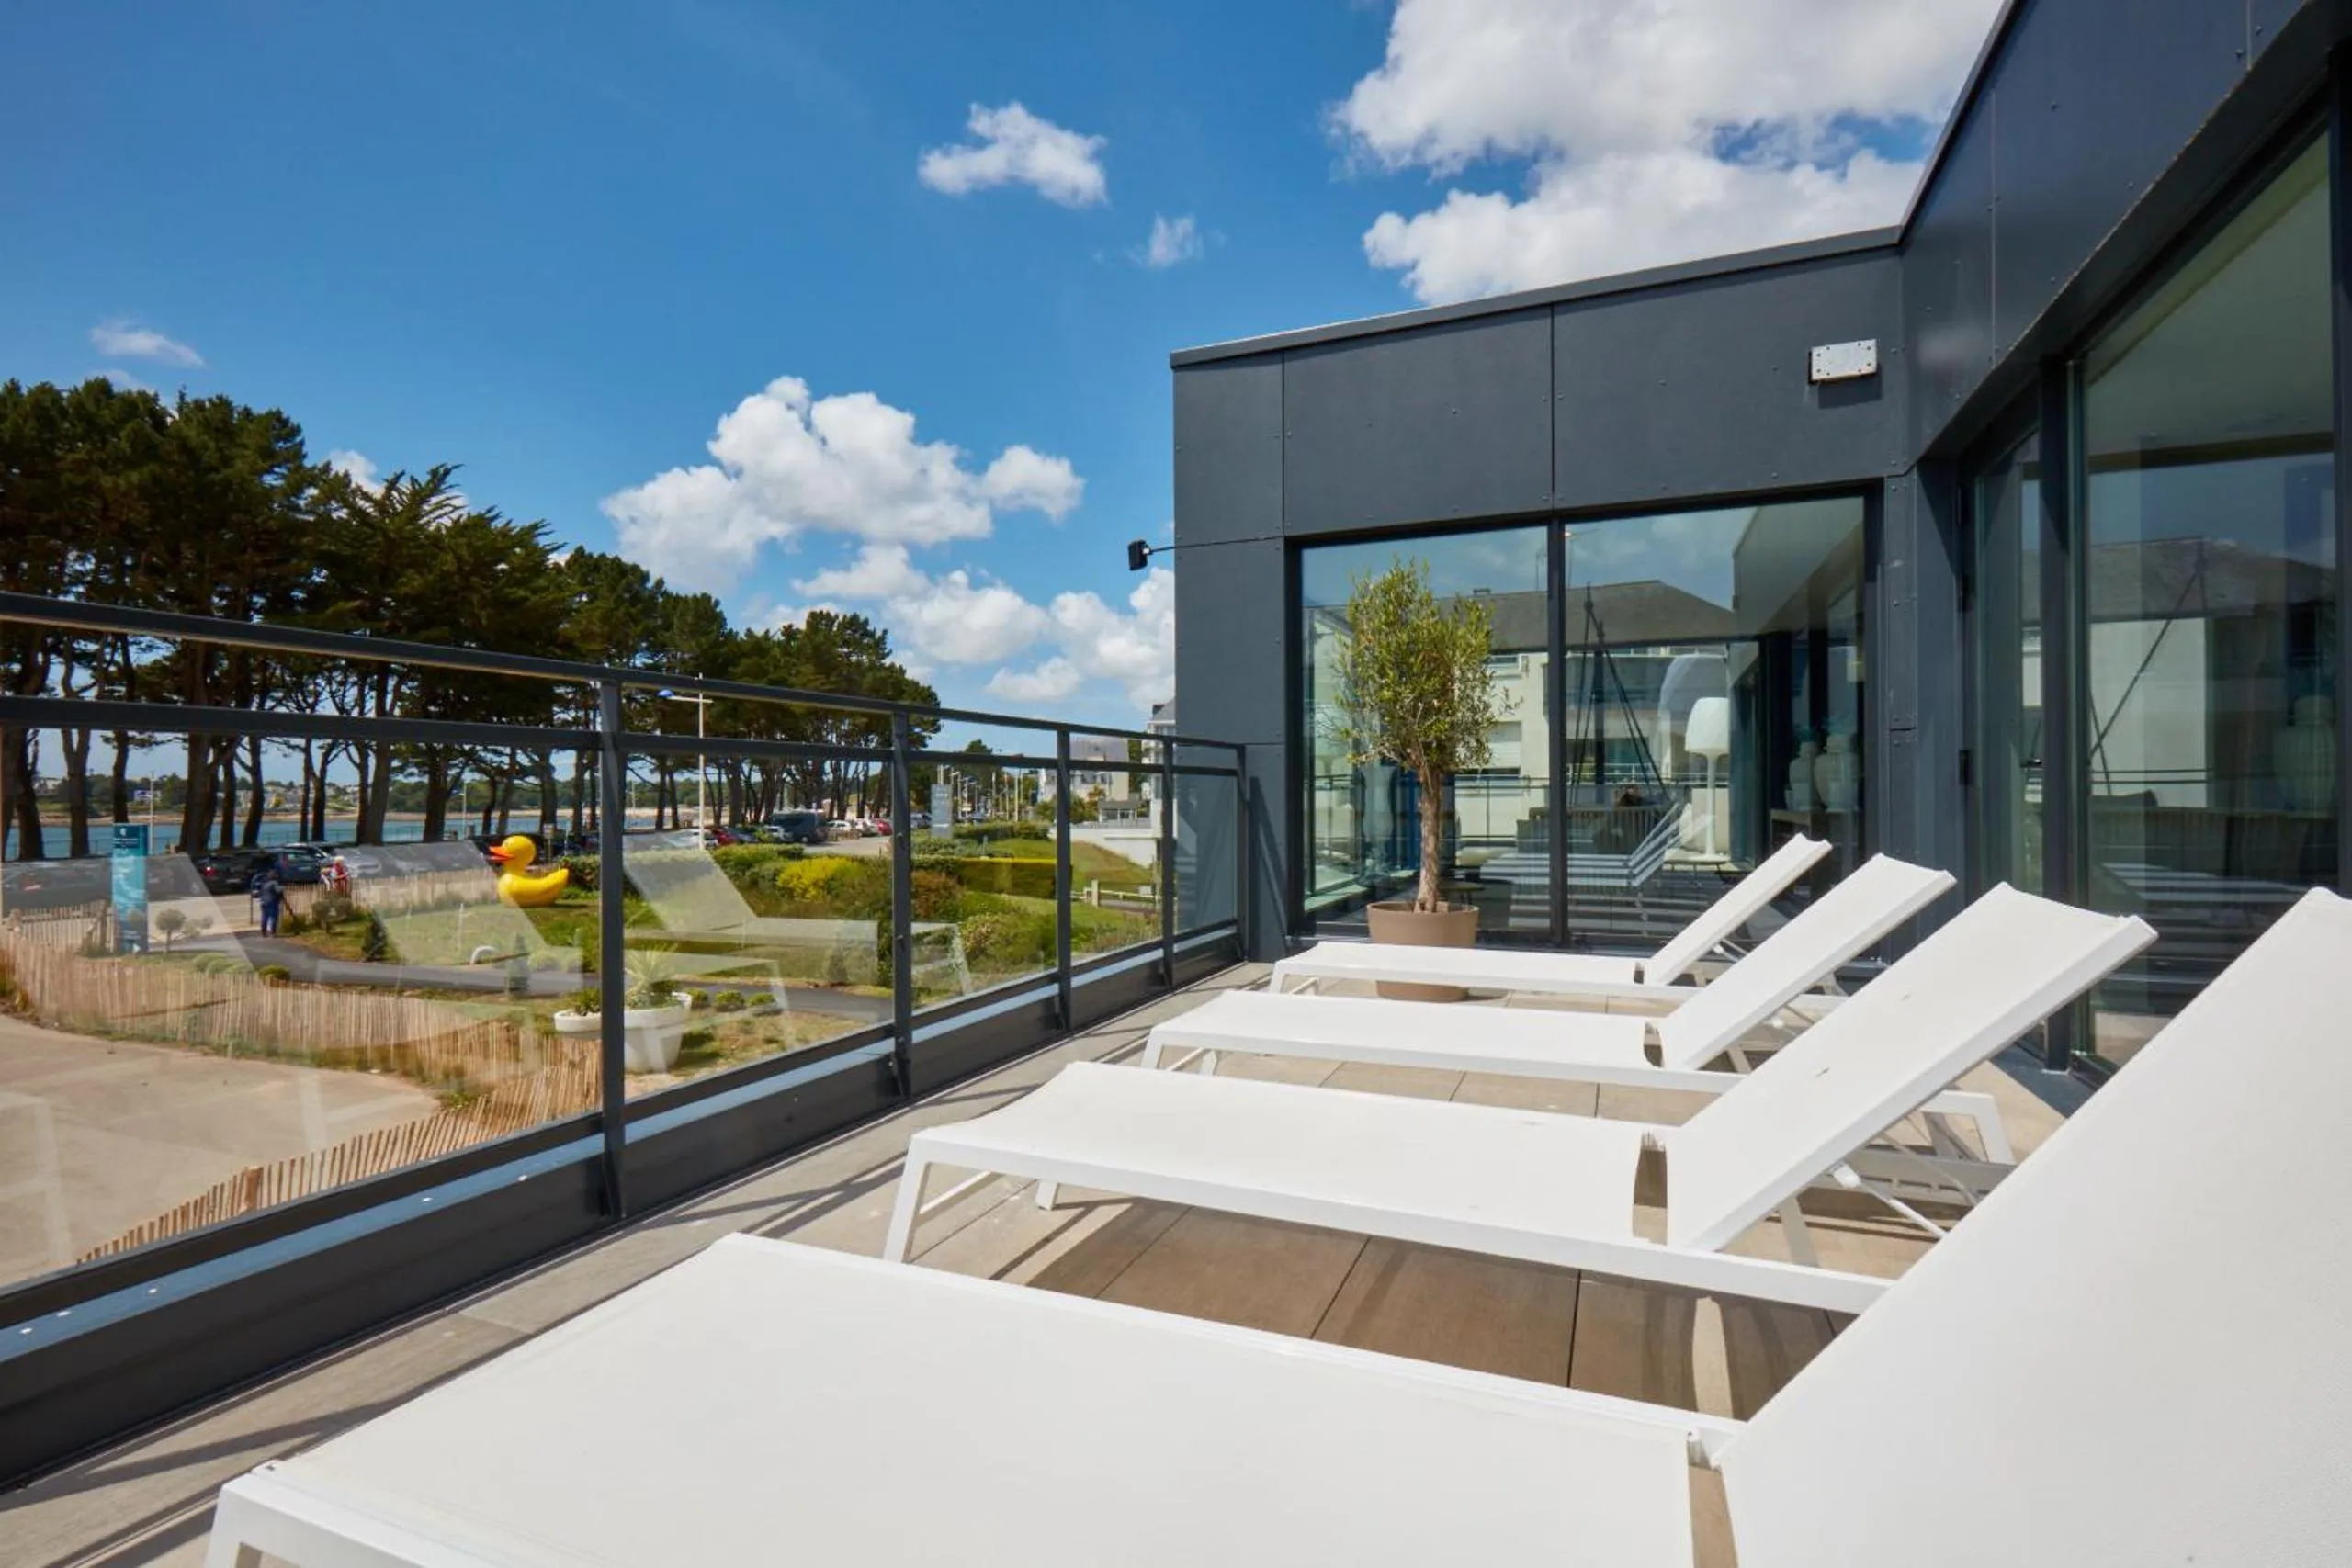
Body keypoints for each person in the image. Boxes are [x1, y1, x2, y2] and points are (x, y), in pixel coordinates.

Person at [254, 863, 285, 937]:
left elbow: (259, 892)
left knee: (265, 917)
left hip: (263, 902)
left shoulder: (264, 883)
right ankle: (273, 932)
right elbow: (278, 890)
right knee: (273, 917)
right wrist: (282, 888)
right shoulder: (274, 883)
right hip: (272, 902)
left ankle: (263, 931)